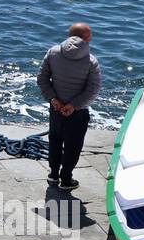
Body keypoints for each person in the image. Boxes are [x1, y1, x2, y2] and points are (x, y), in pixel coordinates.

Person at [36, 23, 102, 191]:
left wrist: (53, 99)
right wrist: (73, 105)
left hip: (56, 108)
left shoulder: (53, 53)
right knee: (73, 146)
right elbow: (93, 90)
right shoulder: (91, 61)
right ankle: (66, 179)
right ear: (87, 39)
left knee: (55, 140)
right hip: (77, 113)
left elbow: (42, 79)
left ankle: (53, 175)